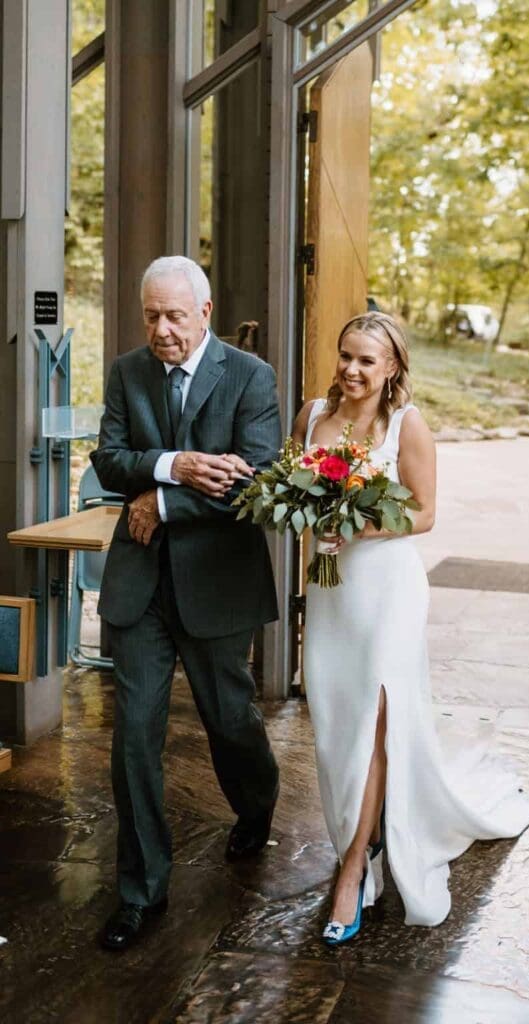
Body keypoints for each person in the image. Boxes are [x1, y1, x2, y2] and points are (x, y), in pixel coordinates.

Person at [292, 311, 529, 946]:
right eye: (346, 356)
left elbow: (425, 513)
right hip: (331, 590)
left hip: (388, 590)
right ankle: (361, 829)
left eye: (367, 361)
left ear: (392, 370)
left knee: (376, 721)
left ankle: (354, 868)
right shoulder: (309, 418)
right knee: (333, 723)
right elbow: (294, 494)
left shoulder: (408, 426)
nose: (352, 370)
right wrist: (309, 520)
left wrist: (354, 526)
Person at [91, 255, 281, 952]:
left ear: (204, 312)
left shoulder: (251, 376)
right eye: (151, 315)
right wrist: (172, 465)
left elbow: (253, 479)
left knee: (229, 720)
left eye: (174, 315)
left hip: (218, 584)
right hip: (139, 585)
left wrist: (161, 501)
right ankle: (141, 889)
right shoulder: (125, 373)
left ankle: (256, 808)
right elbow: (107, 459)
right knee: (133, 736)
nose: (162, 330)